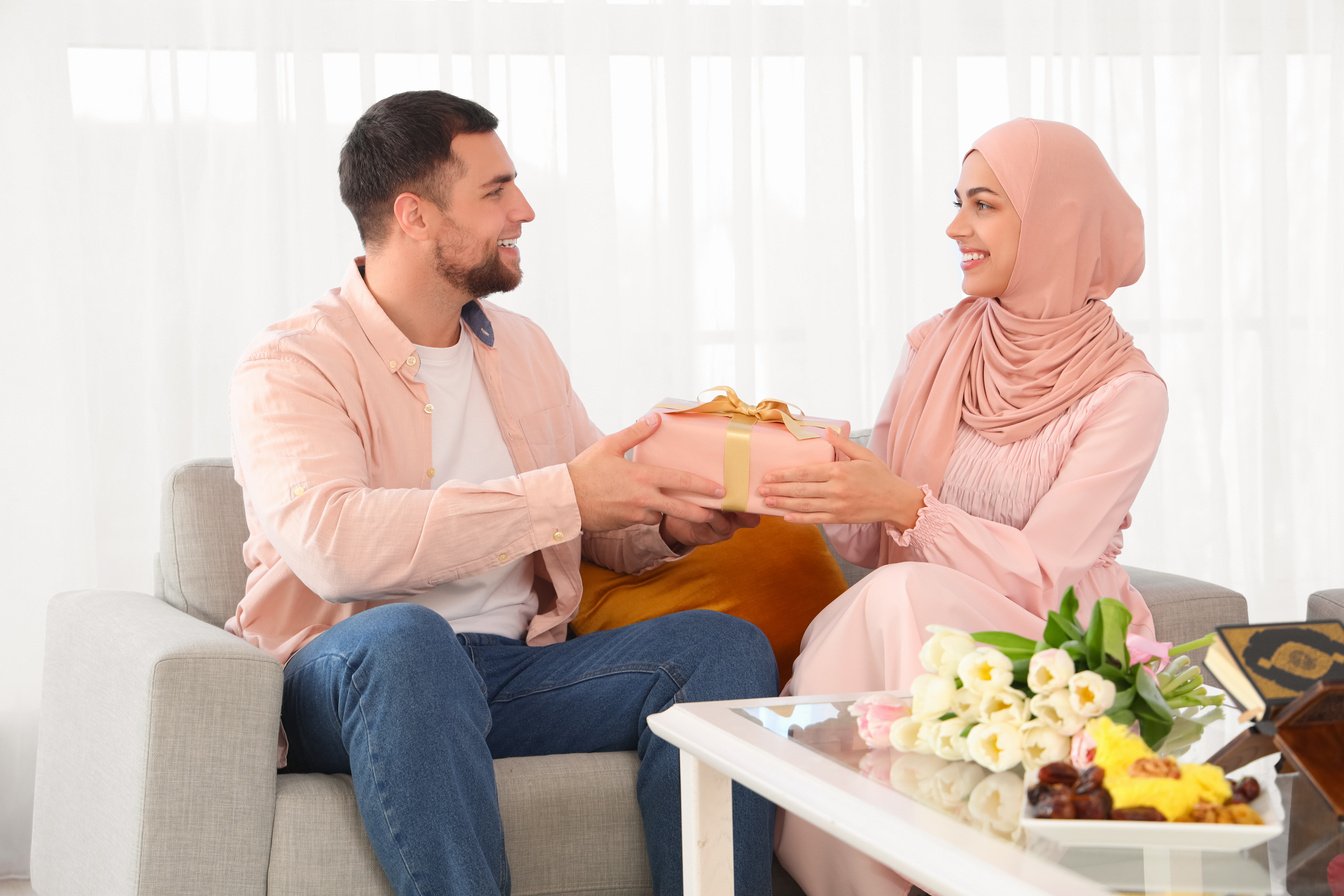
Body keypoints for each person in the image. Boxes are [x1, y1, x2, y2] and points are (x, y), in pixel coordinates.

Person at [226, 89, 778, 896]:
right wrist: (563, 497)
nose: (524, 209)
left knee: (724, 649)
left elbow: (590, 520)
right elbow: (335, 551)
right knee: (408, 639)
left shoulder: (521, 347)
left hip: (513, 672)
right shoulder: (291, 365)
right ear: (414, 216)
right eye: (496, 191)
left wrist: (676, 527)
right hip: (350, 675)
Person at [758, 118, 1167, 895]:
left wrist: (909, 506)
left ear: (1056, 224)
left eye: (983, 205)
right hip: (914, 631)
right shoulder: (936, 348)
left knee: (898, 596)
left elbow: (1048, 573)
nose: (955, 227)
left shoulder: (1127, 395)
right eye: (958, 203)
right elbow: (871, 542)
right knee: (893, 597)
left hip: (1055, 647)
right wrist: (812, 481)